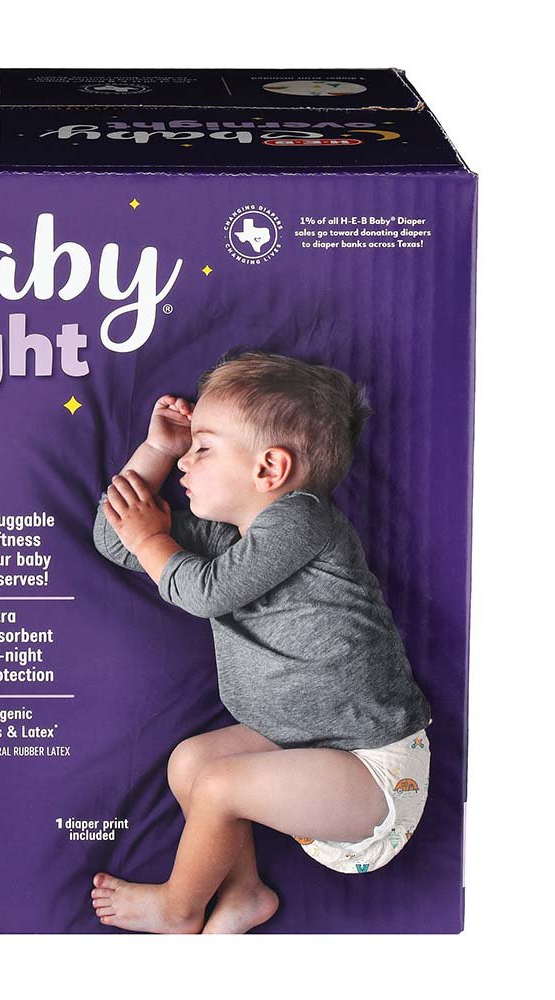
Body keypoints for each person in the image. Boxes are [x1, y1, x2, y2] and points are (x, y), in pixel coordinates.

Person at [91, 351, 431, 934]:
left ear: (270, 468)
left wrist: (153, 540)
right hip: (296, 748)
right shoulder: (222, 535)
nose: (185, 464)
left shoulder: (303, 520)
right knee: (191, 762)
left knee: (219, 786)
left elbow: (203, 592)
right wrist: (157, 450)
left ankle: (179, 909)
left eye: (202, 448)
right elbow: (116, 536)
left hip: (374, 772)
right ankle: (244, 893)